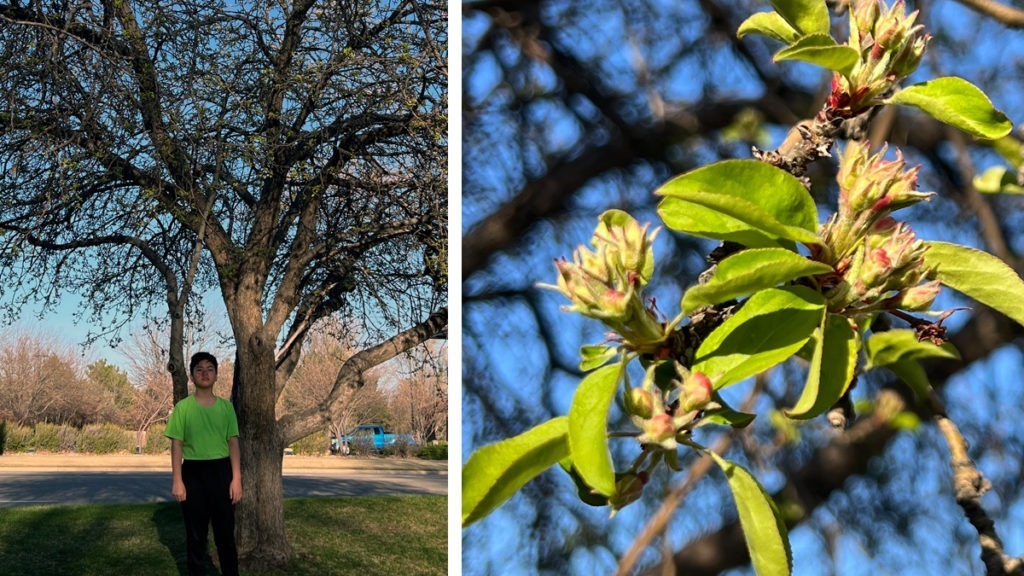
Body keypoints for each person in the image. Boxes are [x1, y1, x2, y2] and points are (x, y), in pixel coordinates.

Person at [165, 352, 242, 576]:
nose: (205, 373)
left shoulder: (226, 408)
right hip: (192, 474)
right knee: (196, 536)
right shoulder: (183, 408)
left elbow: (233, 443)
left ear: (216, 375)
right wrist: (177, 481)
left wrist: (236, 479)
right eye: (199, 369)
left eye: (210, 369)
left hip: (222, 472)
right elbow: (176, 445)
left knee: (225, 536)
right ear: (192, 376)